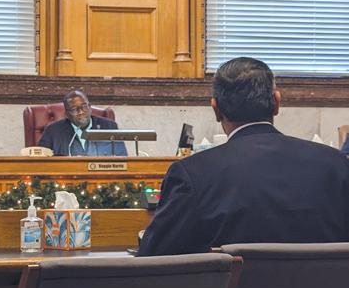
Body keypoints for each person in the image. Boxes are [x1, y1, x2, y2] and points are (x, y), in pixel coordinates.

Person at [138, 57, 349, 256]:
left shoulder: (192, 174)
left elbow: (154, 260)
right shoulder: (336, 165)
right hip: (326, 285)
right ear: (276, 103)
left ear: (216, 109)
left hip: (230, 285)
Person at [38, 90, 127, 156]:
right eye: (74, 109)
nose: (80, 112)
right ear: (67, 114)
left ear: (90, 107)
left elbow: (121, 158)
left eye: (84, 107)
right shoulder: (53, 131)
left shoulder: (109, 126)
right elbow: (41, 161)